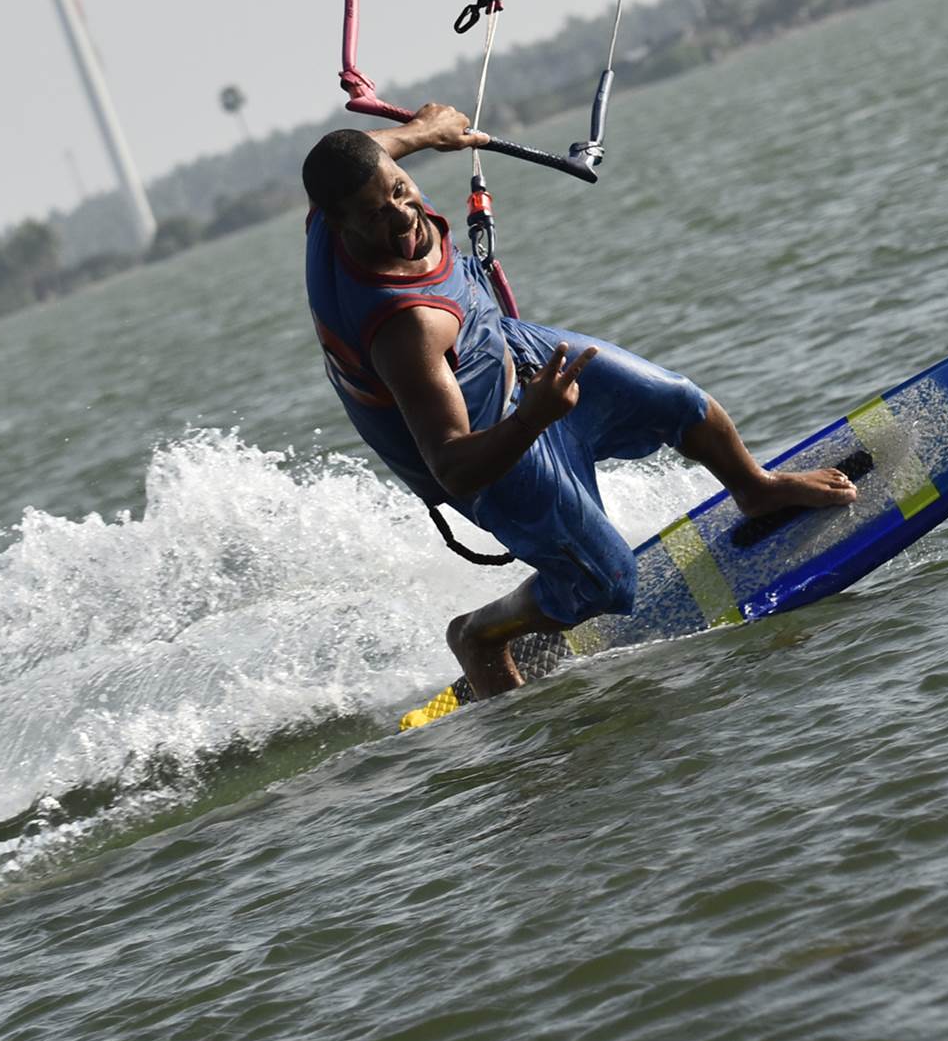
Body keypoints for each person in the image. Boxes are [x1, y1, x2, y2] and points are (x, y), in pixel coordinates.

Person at [303, 104, 855, 698]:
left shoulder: (351, 188)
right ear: (339, 224)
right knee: (609, 584)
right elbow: (453, 466)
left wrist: (423, 133)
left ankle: (754, 487)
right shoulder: (405, 329)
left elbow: (371, 150)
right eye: (375, 215)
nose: (402, 216)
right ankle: (480, 635)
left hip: (513, 351)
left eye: (400, 191)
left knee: (680, 402)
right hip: (490, 452)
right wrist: (534, 416)